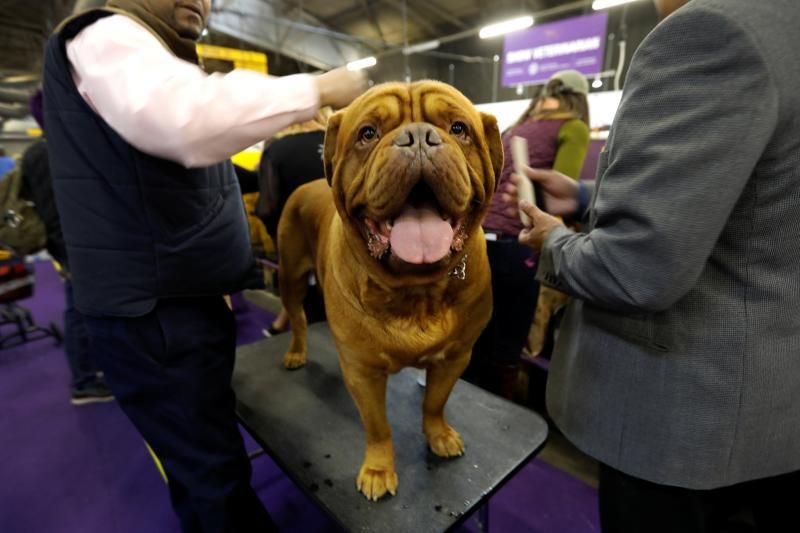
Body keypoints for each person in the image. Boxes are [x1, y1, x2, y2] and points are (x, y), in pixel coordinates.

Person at [42, 0, 366, 531]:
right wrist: (318, 87)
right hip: (155, 316)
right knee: (212, 478)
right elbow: (185, 119)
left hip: (174, 306)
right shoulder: (105, 33)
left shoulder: (149, 54)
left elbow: (177, 165)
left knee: (210, 456)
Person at [514, 0, 800, 531]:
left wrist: (554, 245)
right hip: (772, 401)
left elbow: (635, 269)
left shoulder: (712, 28)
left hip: (681, 418)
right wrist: (582, 195)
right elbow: (752, 194)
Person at [466, 69, 590, 400]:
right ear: (579, 99)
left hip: (477, 243)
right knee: (506, 349)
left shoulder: (515, 128)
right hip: (517, 248)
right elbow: (557, 198)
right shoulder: (573, 127)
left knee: (471, 339)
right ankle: (499, 431)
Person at [21, 90, 113, 405]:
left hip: (68, 246)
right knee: (80, 313)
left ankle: (91, 372)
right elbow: (61, 210)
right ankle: (84, 382)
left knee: (84, 311)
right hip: (75, 247)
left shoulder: (41, 152)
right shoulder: (53, 153)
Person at [256, 108, 332, 335]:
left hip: (296, 233)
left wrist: (275, 233)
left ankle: (284, 327)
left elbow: (267, 206)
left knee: (294, 285)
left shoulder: (276, 150)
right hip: (338, 233)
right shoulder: (340, 142)